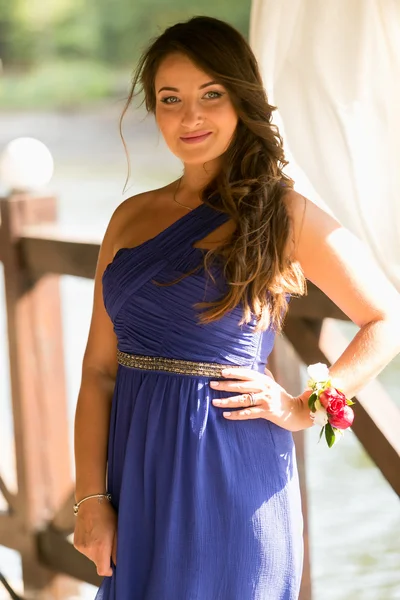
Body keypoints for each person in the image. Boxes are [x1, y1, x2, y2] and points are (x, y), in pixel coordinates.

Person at [73, 15, 400, 600]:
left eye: (210, 95)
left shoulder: (284, 213)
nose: (189, 117)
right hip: (136, 473)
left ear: (240, 98)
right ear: (154, 108)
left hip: (231, 471)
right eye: (170, 99)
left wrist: (307, 406)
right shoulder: (128, 218)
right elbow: (98, 372)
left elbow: (387, 318)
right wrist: (91, 499)